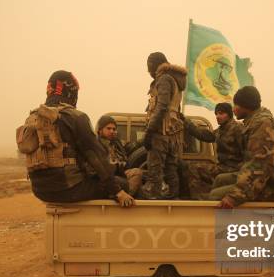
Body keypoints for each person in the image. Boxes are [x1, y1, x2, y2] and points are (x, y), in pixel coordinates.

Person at [24, 70, 135, 207]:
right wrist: (118, 192)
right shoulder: (75, 117)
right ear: (72, 92)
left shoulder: (33, 118)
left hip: (40, 191)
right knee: (124, 183)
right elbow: (97, 159)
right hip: (70, 189)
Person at [208, 86, 274, 208]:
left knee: (214, 196)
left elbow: (259, 167)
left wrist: (234, 197)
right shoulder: (254, 122)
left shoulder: (263, 125)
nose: (234, 109)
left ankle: (226, 224)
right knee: (220, 179)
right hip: (266, 178)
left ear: (244, 106)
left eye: (236, 105)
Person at [140, 52, 187, 199]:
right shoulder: (175, 81)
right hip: (174, 134)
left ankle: (154, 208)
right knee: (171, 170)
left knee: (155, 171)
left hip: (161, 131)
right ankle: (173, 202)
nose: (149, 71)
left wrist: (149, 132)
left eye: (149, 66)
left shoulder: (164, 79)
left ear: (155, 64)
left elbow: (161, 107)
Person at [183, 102, 245, 197]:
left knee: (193, 168)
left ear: (229, 114)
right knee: (189, 166)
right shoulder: (221, 130)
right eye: (216, 114)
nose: (217, 116)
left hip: (233, 169)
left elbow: (246, 151)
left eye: (221, 113)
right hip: (222, 167)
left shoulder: (238, 128)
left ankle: (200, 199)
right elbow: (204, 135)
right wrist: (186, 122)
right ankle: (204, 195)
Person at [96, 115, 143, 195]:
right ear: (100, 130)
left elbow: (128, 148)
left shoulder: (116, 143)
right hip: (106, 177)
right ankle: (123, 197)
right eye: (108, 128)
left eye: (114, 129)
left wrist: (144, 140)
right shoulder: (96, 144)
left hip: (119, 173)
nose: (112, 131)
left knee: (137, 172)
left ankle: (127, 196)